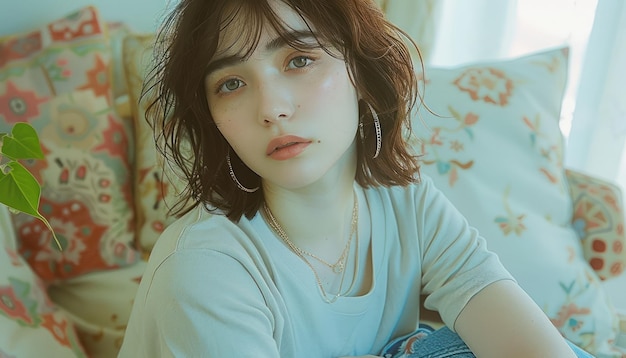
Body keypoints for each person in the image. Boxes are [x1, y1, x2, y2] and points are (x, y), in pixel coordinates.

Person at [118, 0, 593, 357]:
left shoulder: (406, 201)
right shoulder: (205, 268)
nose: (272, 108)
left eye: (299, 60)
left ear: (361, 73)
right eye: (232, 84)